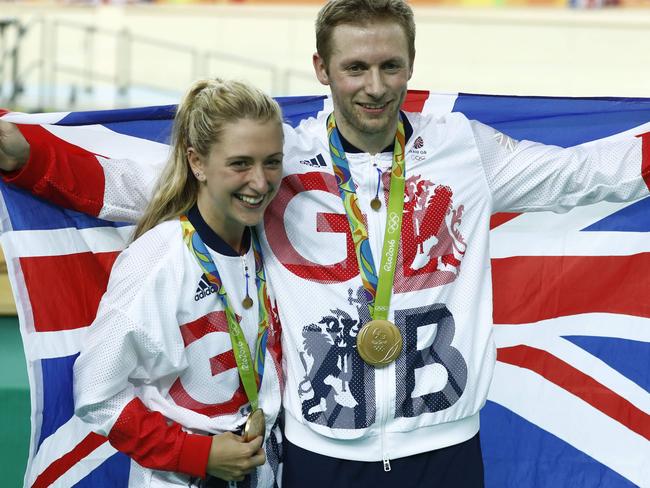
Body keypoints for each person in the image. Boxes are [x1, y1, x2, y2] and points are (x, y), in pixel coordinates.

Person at [0, 0, 648, 487]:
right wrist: (28, 159)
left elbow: (584, 175)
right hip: (321, 457)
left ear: (411, 66)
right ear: (322, 68)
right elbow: (145, 183)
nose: (374, 85)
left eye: (390, 65)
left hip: (446, 450)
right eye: (355, 67)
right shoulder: (280, 160)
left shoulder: (461, 149)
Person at [71, 78, 284, 488]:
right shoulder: (157, 259)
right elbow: (97, 394)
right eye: (240, 164)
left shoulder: (269, 243)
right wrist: (198, 455)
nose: (260, 182)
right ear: (197, 162)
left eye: (272, 161)